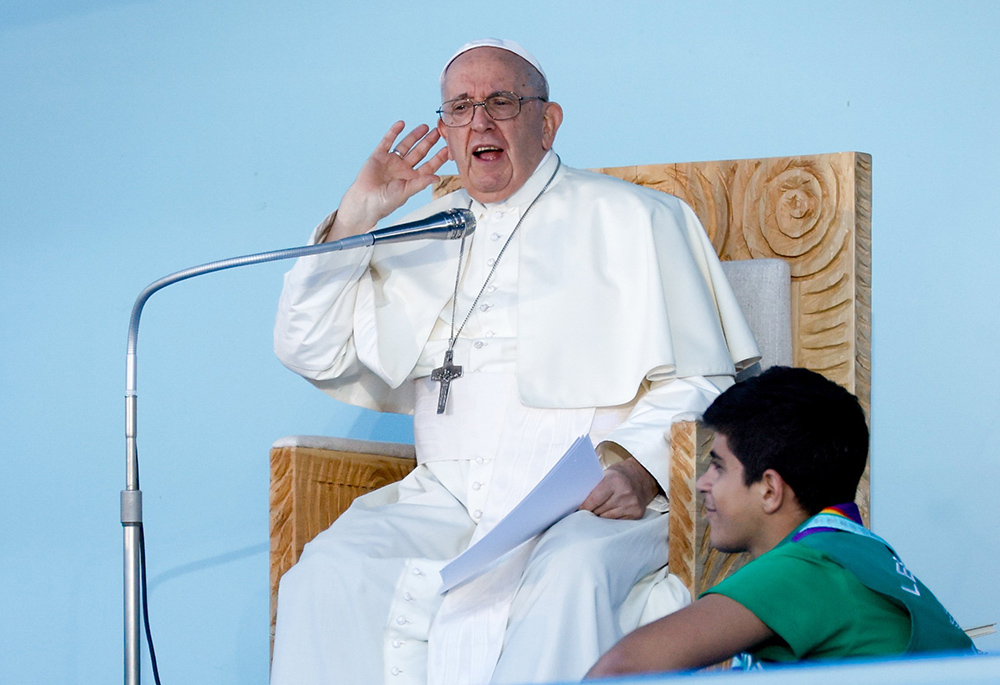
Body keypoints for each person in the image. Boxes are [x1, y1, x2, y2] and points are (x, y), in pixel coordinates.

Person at [270, 38, 759, 685]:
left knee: (570, 575)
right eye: (460, 108)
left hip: (586, 494)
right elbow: (307, 344)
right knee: (328, 575)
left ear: (547, 120)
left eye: (501, 101)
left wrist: (638, 467)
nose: (480, 122)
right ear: (444, 127)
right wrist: (359, 217)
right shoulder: (423, 230)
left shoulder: (637, 218)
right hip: (445, 495)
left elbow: (703, 377)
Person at [587, 366, 977, 678]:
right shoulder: (862, 551)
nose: (702, 483)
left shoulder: (808, 567)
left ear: (770, 489)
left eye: (718, 467)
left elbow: (620, 669)